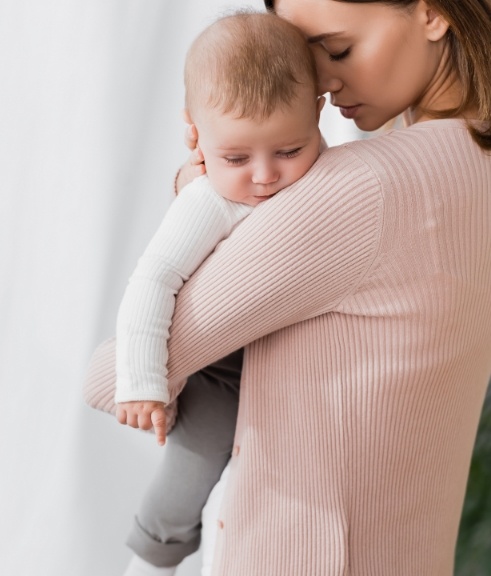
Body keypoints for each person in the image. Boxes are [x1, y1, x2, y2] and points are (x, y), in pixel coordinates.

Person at [85, 0, 491, 575]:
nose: (320, 82)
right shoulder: (474, 159)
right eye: (304, 56)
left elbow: (109, 378)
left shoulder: (364, 187)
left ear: (431, 12)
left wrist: (202, 184)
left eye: (338, 48)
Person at [105, 10, 323, 576]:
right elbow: (154, 279)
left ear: (319, 113)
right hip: (221, 375)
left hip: (300, 371)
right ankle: (152, 559)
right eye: (235, 158)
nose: (264, 175)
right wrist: (142, 382)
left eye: (289, 150)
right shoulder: (208, 200)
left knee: (266, 497)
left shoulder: (331, 176)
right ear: (194, 135)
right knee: (189, 476)